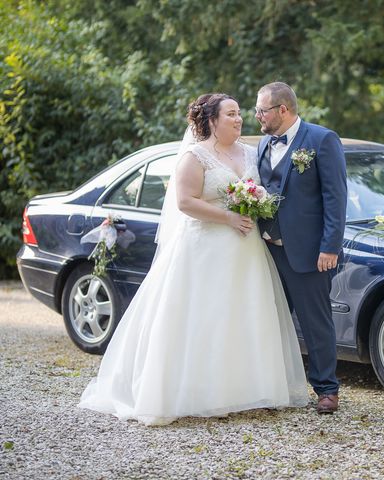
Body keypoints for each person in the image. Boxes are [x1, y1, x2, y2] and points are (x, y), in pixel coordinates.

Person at [78, 93, 308, 426]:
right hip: (204, 250)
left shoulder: (249, 152)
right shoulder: (194, 156)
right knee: (205, 316)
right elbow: (185, 202)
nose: (238, 118)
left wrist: (255, 206)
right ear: (212, 120)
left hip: (245, 251)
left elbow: (261, 191)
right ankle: (198, 392)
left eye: (239, 113)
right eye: (230, 114)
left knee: (244, 314)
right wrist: (227, 217)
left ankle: (245, 389)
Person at [255, 82, 347, 414]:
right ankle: (273, 387)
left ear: (283, 110)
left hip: (310, 252)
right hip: (267, 250)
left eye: (262, 110)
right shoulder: (264, 143)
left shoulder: (322, 140)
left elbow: (335, 198)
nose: (257, 116)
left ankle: (327, 389)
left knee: (315, 322)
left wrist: (330, 247)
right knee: (271, 320)